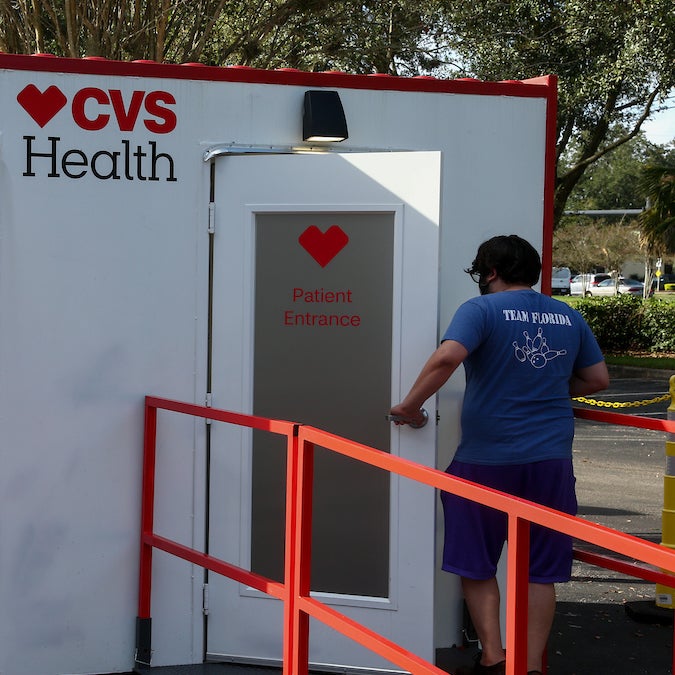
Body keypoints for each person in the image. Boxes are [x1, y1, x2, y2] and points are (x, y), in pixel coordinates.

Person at [389, 235, 609, 675]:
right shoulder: (567, 315)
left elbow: (447, 357)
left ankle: (493, 657)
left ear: (489, 272)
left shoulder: (481, 310)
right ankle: (527, 667)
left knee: (476, 559)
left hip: (487, 461)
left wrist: (408, 407)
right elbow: (598, 379)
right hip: (550, 462)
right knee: (540, 569)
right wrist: (546, 389)